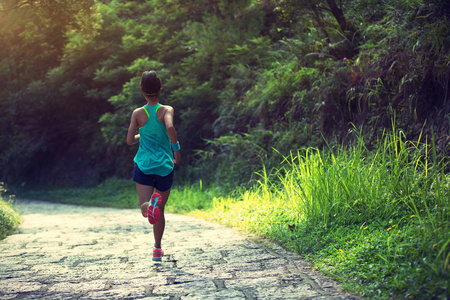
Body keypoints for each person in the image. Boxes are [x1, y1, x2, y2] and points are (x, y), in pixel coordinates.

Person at [126, 70, 181, 261]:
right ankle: (157, 248)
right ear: (160, 89)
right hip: (164, 166)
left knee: (145, 208)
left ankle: (149, 204)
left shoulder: (138, 114)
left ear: (142, 91)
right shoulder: (167, 110)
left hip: (143, 165)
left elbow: (129, 140)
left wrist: (144, 133)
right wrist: (177, 152)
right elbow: (170, 128)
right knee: (161, 210)